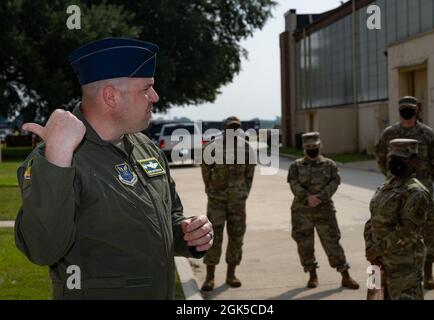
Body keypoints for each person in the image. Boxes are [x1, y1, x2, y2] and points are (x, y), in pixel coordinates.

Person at [14, 37, 213, 300]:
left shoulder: (146, 147)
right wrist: (58, 158)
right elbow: (42, 249)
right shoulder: (56, 157)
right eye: (146, 89)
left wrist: (188, 233)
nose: (155, 96)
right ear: (111, 96)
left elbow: (169, 216)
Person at [375, 96, 434, 290]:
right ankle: (393, 273)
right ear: (399, 110)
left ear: (416, 109)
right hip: (395, 191)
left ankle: (428, 272)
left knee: (426, 231)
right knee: (394, 228)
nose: (407, 111)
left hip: (422, 189)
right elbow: (380, 155)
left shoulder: (426, 133)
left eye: (410, 108)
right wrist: (389, 177)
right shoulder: (390, 133)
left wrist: (427, 178)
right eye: (403, 108)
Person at [287, 132, 359, 290]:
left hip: (325, 210)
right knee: (304, 244)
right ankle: (312, 276)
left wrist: (321, 197)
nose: (312, 149)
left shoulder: (330, 165)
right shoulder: (296, 166)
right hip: (302, 211)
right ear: (303, 148)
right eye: (308, 147)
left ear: (320, 145)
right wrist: (307, 197)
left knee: (332, 243)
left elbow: (335, 182)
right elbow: (293, 183)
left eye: (314, 146)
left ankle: (345, 276)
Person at [365, 139, 434, 300]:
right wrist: (370, 247)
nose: (395, 162)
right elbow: (373, 218)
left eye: (401, 158)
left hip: (403, 267)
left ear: (413, 160)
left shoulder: (416, 193)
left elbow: (408, 232)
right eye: (392, 158)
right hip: (377, 261)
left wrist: (377, 249)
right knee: (375, 297)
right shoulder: (387, 186)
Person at [200, 116, 256, 291]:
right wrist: (210, 189)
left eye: (236, 127)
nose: (233, 130)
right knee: (213, 238)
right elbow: (205, 169)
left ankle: (231, 274)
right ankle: (210, 277)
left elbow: (250, 173)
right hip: (216, 200)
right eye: (230, 127)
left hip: (237, 201)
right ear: (224, 128)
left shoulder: (246, 148)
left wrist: (244, 191)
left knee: (237, 237)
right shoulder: (212, 147)